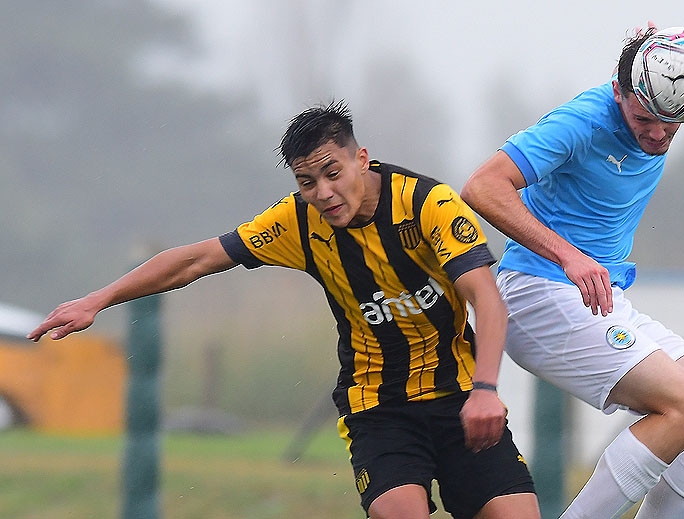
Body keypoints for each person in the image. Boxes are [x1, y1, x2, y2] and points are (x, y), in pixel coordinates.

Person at [28, 101, 540, 519]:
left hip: (462, 396)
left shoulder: (430, 205)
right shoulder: (297, 223)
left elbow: (487, 300)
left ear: (361, 158)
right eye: (307, 182)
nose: (324, 193)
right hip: (378, 408)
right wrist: (97, 299)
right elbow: (195, 259)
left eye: (332, 173)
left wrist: (486, 390)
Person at [460, 26, 684, 519]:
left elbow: (649, 71)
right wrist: (567, 255)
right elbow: (482, 186)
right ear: (619, 92)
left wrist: (647, 43)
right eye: (643, 118)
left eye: (672, 123)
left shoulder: (651, 85)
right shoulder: (583, 121)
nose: (657, 134)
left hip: (602, 295)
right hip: (539, 293)